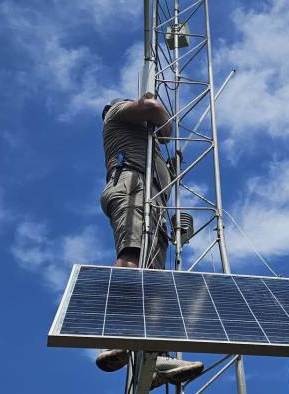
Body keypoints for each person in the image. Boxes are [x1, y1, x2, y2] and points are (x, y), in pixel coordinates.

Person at [96, 93, 204, 388]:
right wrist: (163, 128)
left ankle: (156, 359)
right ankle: (115, 336)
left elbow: (166, 170)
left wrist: (169, 165)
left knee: (154, 284)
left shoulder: (148, 147)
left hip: (153, 204)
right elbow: (154, 108)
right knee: (131, 258)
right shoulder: (115, 113)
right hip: (132, 188)